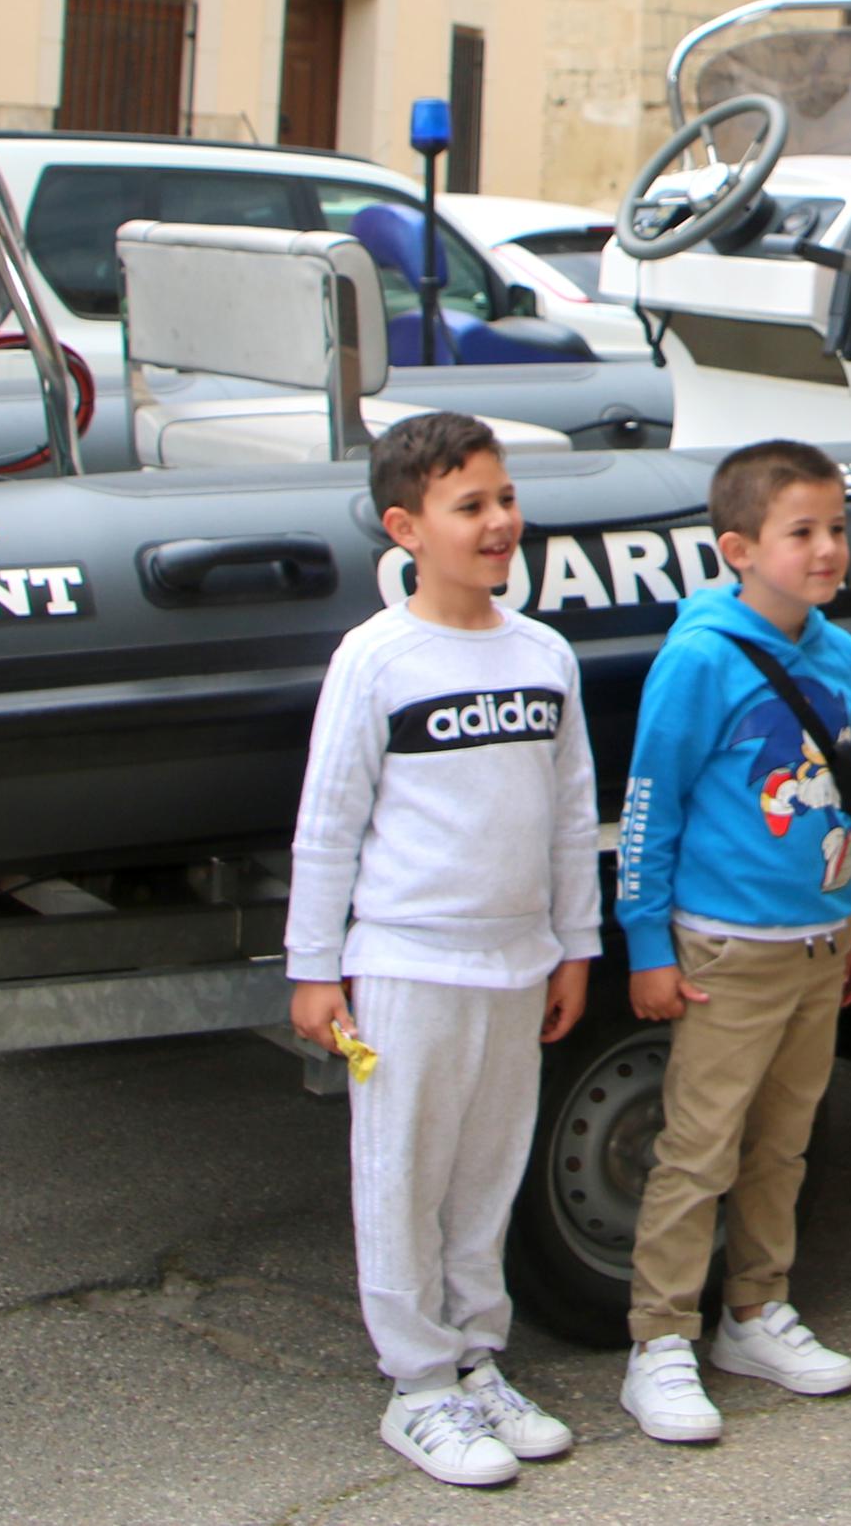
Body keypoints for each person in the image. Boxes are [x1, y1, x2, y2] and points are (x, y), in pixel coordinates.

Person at [284, 412, 598, 1489]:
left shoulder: (543, 653)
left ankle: (476, 1360)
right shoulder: (375, 659)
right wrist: (313, 967)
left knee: (484, 1175)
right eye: (471, 505)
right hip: (408, 970)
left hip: (517, 965)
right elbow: (328, 822)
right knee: (401, 1174)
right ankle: (416, 1387)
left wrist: (574, 943)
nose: (500, 520)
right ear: (405, 526)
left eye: (505, 499)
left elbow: (568, 811)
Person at [610, 437, 851, 1447]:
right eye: (800, 531)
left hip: (819, 943)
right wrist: (647, 944)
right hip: (724, 951)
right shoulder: (698, 658)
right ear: (737, 547)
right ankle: (658, 1340)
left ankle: (753, 1311)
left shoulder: (842, 655)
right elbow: (650, 806)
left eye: (835, 529)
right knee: (697, 1148)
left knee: (783, 1142)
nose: (825, 549)